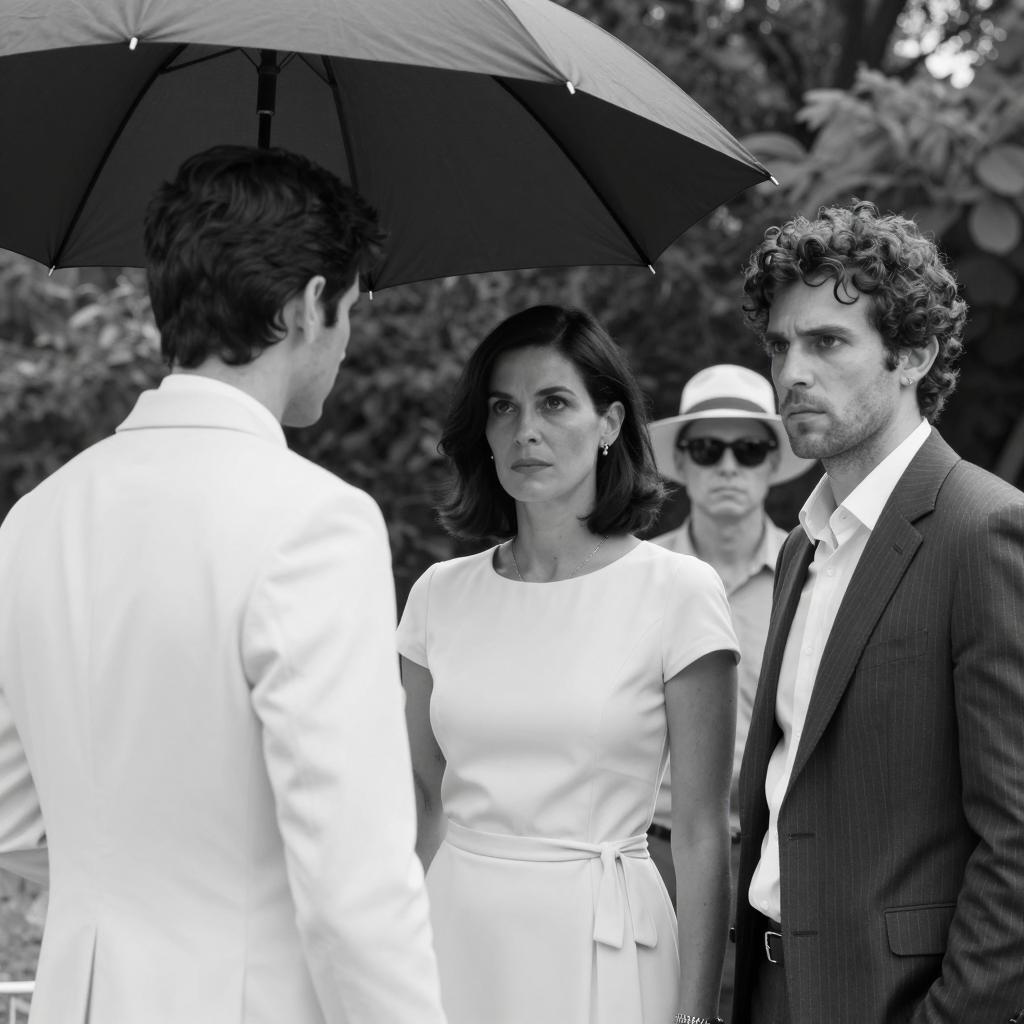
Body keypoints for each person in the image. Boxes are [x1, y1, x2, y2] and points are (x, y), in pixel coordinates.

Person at [0, 145, 447, 1024]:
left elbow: (12, 818)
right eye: (351, 308)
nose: (347, 340)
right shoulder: (318, 522)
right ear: (308, 304)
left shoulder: (35, 520)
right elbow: (354, 881)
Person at [398, 305, 740, 1024]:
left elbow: (702, 832)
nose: (525, 429)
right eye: (503, 407)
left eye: (554, 403)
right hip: (455, 939)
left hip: (606, 943)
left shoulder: (678, 591)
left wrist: (697, 1015)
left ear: (610, 423)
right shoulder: (437, 595)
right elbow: (423, 804)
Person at [732, 200, 1024, 1024]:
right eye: (780, 346)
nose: (792, 373)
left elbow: (1017, 839)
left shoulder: (983, 529)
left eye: (827, 342)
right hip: (770, 986)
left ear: (914, 355)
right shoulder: (804, 545)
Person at [646, 364, 812, 1015]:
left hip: (776, 861)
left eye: (746, 448)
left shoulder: (817, 575)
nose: (726, 466)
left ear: (772, 460)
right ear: (682, 462)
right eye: (707, 448)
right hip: (654, 854)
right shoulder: (637, 578)